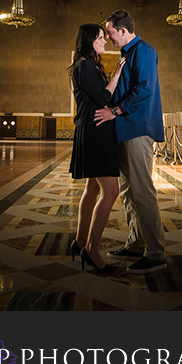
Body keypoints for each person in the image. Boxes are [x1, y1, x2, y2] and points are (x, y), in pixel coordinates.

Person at [94, 9, 167, 274]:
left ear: (123, 31)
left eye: (111, 33)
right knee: (127, 191)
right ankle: (136, 243)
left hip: (138, 129)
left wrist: (114, 111)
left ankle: (156, 253)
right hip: (124, 130)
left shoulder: (144, 51)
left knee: (143, 191)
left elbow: (144, 89)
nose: (110, 38)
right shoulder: (127, 53)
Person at [69, 23, 125, 274]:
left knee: (93, 188)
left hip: (95, 130)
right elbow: (103, 99)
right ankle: (91, 249)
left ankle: (80, 242)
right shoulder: (83, 65)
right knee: (110, 191)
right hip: (94, 131)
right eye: (101, 38)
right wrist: (115, 76)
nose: (105, 42)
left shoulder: (87, 65)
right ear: (90, 40)